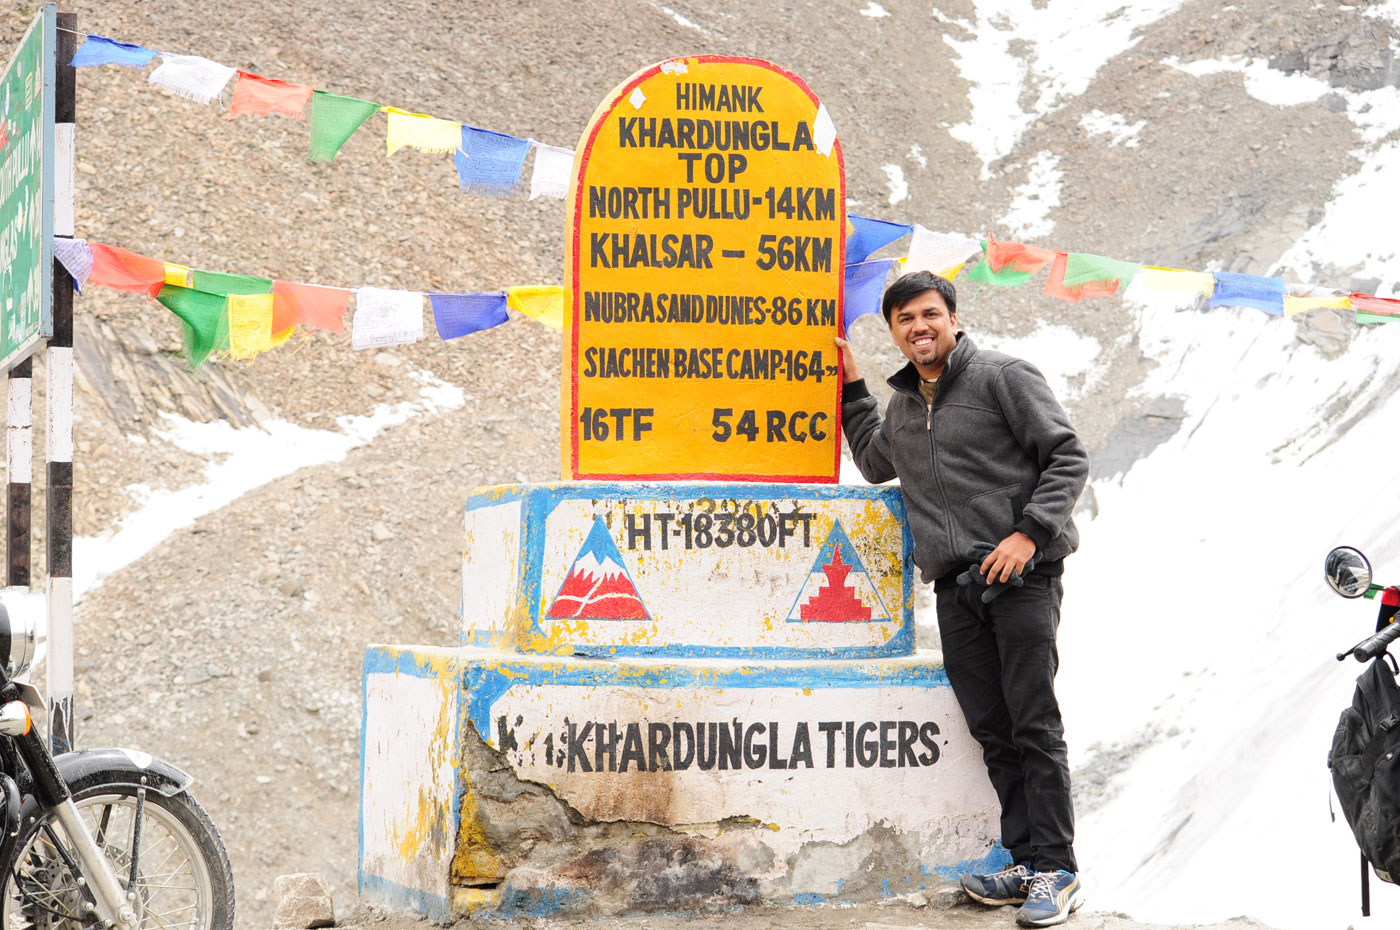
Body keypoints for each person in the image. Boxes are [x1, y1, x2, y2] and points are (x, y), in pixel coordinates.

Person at [837, 270, 1089, 928]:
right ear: (893, 331)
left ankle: (1057, 870)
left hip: (1021, 577)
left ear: (951, 318)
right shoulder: (903, 406)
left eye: (929, 315)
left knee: (1033, 722)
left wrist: (1028, 536)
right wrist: (849, 385)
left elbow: (1067, 455)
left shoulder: (1003, 376)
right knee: (993, 730)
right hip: (955, 586)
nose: (918, 328)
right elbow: (872, 461)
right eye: (904, 320)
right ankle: (1024, 861)